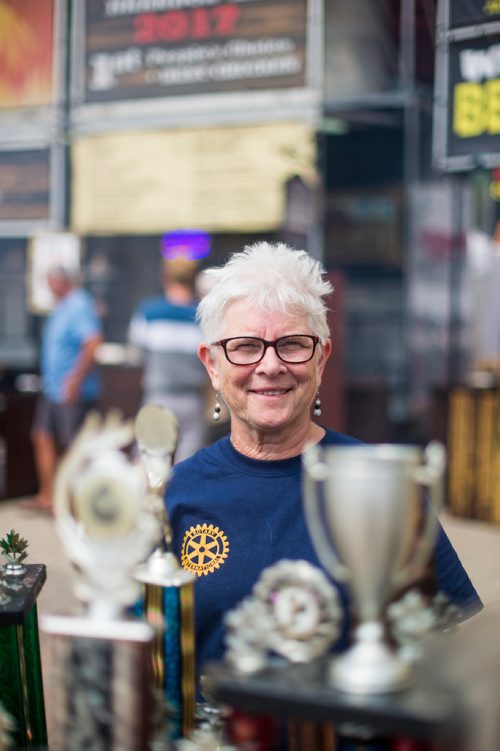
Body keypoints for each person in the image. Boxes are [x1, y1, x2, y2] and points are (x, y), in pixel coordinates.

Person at [165, 241, 483, 678]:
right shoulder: (176, 492)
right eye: (244, 346)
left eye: (293, 344)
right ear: (212, 364)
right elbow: (154, 658)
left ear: (322, 358)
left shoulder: (382, 484)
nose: (270, 365)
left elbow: (449, 639)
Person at [24, 265, 103, 513]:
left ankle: (79, 504)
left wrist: (75, 380)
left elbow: (92, 343)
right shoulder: (61, 307)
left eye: (52, 281)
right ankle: (48, 495)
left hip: (73, 391)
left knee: (75, 447)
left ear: (63, 281)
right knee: (41, 436)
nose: (49, 287)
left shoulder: (79, 304)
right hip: (52, 389)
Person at [128, 237, 209, 463]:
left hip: (157, 397)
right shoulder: (203, 317)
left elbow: (137, 355)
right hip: (193, 401)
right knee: (187, 470)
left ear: (165, 277)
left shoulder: (148, 313)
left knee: (150, 467)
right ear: (193, 277)